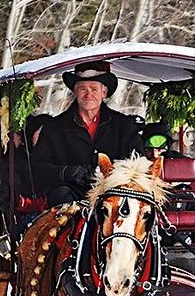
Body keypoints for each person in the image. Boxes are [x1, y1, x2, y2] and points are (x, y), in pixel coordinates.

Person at [32, 62, 144, 206]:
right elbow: (38, 168)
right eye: (83, 88)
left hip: (115, 195)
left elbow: (138, 163)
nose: (88, 94)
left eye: (94, 89)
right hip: (71, 196)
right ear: (75, 91)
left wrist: (114, 174)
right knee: (61, 196)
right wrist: (67, 172)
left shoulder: (124, 126)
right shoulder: (54, 128)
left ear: (104, 93)